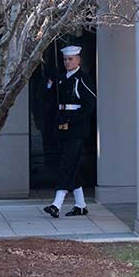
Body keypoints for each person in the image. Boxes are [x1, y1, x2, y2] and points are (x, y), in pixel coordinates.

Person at [43, 45, 96, 218]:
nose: (67, 62)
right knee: (70, 165)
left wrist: (71, 118)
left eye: (70, 59)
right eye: (65, 59)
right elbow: (50, 100)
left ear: (78, 60)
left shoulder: (82, 79)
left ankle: (56, 204)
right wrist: (50, 85)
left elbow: (89, 105)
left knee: (67, 164)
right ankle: (80, 205)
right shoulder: (60, 79)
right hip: (62, 127)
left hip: (77, 129)